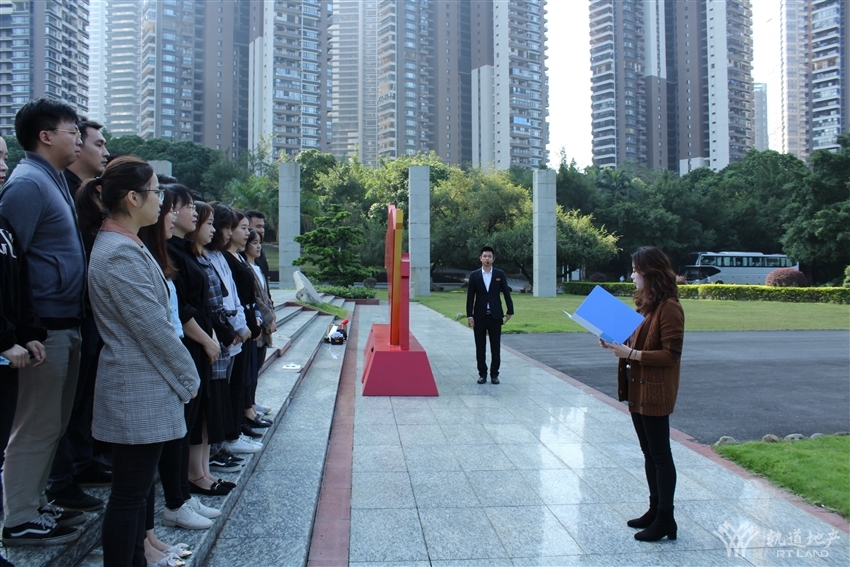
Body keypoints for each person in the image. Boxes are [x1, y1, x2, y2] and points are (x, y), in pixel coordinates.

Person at [76, 156, 200, 565]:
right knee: (129, 496)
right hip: (137, 388)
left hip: (146, 385)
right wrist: (189, 378)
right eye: (156, 192)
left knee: (136, 491)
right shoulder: (118, 253)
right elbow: (153, 330)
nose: (161, 201)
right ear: (132, 198)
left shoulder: (126, 244)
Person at [0, 98, 88, 546]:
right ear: (46, 136)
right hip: (43, 328)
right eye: (73, 131)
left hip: (63, 321)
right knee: (35, 425)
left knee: (52, 423)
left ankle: (35, 503)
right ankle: (18, 517)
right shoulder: (28, 184)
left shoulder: (51, 179)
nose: (80, 140)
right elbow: (9, 263)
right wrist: (21, 331)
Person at [47, 118, 112, 512]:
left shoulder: (80, 192)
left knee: (85, 394)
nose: (104, 151)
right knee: (64, 404)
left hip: (86, 311)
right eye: (97, 144)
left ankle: (83, 462)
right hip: (64, 314)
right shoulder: (57, 190)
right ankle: (61, 479)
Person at [600, 246, 684, 542]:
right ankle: (654, 510)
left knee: (660, 455)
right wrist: (614, 342)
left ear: (650, 273)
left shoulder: (670, 308)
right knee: (649, 452)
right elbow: (636, 340)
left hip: (655, 391)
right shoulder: (647, 306)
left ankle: (666, 518)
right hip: (638, 387)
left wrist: (631, 353)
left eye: (636, 270)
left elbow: (671, 355)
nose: (633, 275)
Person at [0, 135, 52, 561]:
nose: (3, 166)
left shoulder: (2, 224)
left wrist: (29, 330)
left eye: (3, 156)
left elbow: (18, 282)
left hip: (13, 349)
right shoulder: (27, 188)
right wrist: (5, 338)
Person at [466, 246, 514, 384]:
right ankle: (482, 374)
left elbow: (506, 293)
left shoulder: (499, 274)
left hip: (495, 316)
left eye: (489, 256)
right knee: (480, 347)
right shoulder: (475, 275)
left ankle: (494, 374)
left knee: (495, 347)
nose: (487, 258)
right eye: (485, 256)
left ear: (493, 259)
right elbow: (470, 297)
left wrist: (510, 310)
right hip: (479, 316)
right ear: (480, 258)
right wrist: (470, 315)